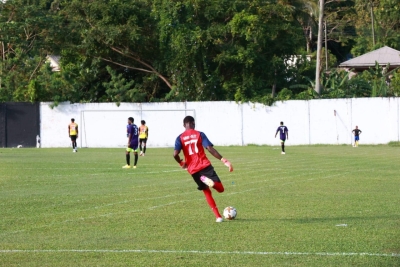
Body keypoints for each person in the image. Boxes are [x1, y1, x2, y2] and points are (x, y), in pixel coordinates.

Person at [173, 116, 233, 223]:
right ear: (193, 123)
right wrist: (224, 160)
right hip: (204, 165)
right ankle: (213, 184)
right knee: (221, 189)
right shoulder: (199, 134)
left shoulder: (179, 138)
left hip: (193, 169)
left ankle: (218, 217)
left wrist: (181, 162)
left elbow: (175, 154)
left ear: (184, 125)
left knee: (206, 191)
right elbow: (209, 148)